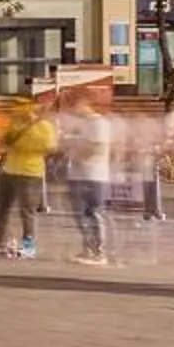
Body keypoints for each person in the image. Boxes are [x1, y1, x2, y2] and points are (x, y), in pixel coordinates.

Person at [0, 95, 56, 257]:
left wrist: (21, 144)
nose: (16, 110)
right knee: (1, 208)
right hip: (9, 170)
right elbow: (3, 141)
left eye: (21, 106)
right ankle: (0, 242)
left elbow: (49, 146)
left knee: (27, 211)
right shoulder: (13, 124)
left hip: (30, 172)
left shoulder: (44, 126)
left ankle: (29, 247)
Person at [67, 91, 116, 265]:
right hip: (79, 175)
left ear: (84, 103)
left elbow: (98, 149)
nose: (73, 110)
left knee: (94, 213)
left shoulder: (99, 124)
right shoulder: (83, 125)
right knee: (81, 215)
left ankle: (98, 252)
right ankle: (87, 249)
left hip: (93, 175)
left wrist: (77, 153)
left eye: (74, 105)